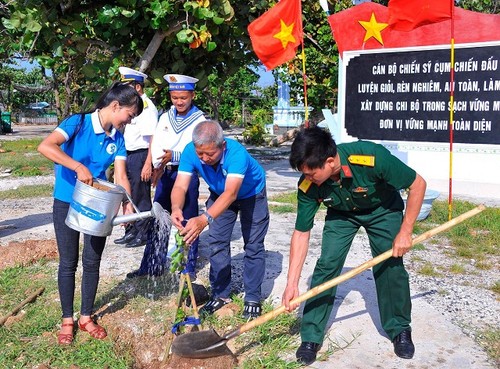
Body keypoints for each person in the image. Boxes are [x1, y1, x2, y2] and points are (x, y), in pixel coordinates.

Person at [282, 126, 426, 365]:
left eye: (311, 174)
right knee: (327, 266)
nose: (307, 179)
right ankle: (311, 337)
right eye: (304, 174)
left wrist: (405, 231)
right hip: (342, 215)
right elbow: (301, 233)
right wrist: (291, 284)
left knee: (391, 266)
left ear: (329, 162)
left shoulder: (372, 158)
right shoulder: (308, 185)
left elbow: (418, 184)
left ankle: (399, 329)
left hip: (383, 210)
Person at [37, 82, 143, 345]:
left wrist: (126, 201)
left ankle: (85, 317)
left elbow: (120, 174)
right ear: (115, 106)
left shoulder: (117, 138)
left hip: (99, 205)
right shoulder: (78, 123)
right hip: (67, 201)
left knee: (92, 261)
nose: (128, 122)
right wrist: (76, 166)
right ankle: (67, 320)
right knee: (68, 262)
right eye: (129, 116)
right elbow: (46, 146)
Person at [170, 120, 270, 319]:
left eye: (210, 154)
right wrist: (176, 207)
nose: (205, 159)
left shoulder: (236, 153)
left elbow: (231, 193)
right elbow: (180, 186)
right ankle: (221, 294)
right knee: (217, 242)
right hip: (219, 194)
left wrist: (204, 219)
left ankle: (252, 297)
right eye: (201, 154)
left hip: (251, 194)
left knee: (253, 245)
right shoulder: (190, 151)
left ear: (222, 146)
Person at [126, 74, 206, 278]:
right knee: (158, 218)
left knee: (187, 220)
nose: (179, 101)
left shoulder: (200, 120)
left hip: (186, 175)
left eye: (183, 97)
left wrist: (176, 155)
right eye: (175, 97)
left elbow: (201, 150)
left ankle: (187, 267)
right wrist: (155, 167)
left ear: (192, 95)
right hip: (166, 173)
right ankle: (151, 265)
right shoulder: (165, 116)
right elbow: (156, 143)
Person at [113, 67, 159, 248]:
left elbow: (152, 139)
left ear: (138, 87)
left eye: (129, 87)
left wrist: (148, 163)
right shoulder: (131, 105)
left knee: (141, 196)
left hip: (140, 155)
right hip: (129, 154)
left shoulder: (146, 108)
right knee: (128, 194)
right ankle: (131, 231)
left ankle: (143, 233)